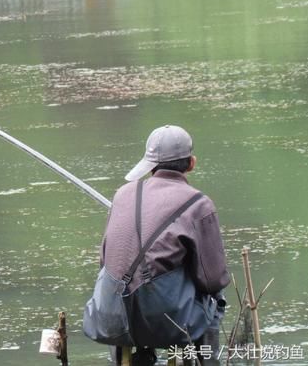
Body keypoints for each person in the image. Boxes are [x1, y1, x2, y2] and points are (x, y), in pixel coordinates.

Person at [83, 125, 229, 365]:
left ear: (149, 165)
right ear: (192, 163)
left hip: (110, 319)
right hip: (165, 323)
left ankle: (128, 360)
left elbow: (105, 261)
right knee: (215, 297)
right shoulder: (199, 204)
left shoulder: (121, 195)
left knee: (119, 287)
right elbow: (212, 279)